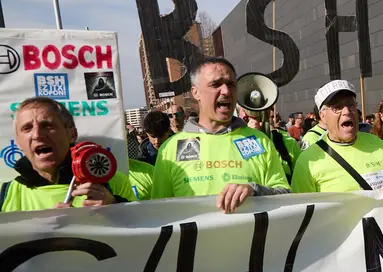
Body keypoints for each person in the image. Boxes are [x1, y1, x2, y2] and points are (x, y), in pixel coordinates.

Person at [151, 57, 290, 213]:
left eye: (231, 84)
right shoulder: (170, 149)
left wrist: (255, 190)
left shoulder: (259, 141)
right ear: (196, 92)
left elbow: (285, 194)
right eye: (215, 84)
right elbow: (159, 211)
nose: (226, 91)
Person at [1, 97, 134, 212]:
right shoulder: (5, 195)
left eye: (47, 125)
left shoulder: (113, 182)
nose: (37, 135)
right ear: (18, 142)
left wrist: (116, 208)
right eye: (27, 128)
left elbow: (139, 235)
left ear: (72, 134)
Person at [291, 80, 383, 192]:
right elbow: (301, 208)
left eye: (351, 105)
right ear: (323, 116)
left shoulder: (377, 143)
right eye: (337, 107)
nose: (346, 111)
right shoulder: (307, 161)